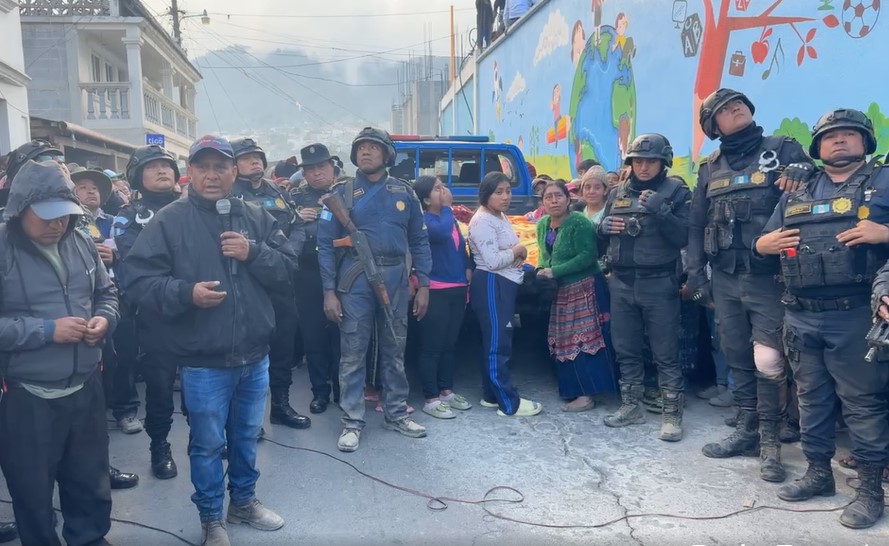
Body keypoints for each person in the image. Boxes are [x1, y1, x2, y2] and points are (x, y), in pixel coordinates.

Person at [125, 135, 296, 545]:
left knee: (245, 436)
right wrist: (187, 294)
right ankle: (210, 518)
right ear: (191, 173)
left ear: (234, 172)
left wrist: (253, 252)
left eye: (221, 166)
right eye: (203, 167)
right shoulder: (169, 220)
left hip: (255, 355)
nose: (212, 175)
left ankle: (243, 501)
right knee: (205, 445)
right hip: (203, 360)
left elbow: (289, 268)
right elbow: (137, 282)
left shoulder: (255, 217)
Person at [754, 109, 889, 529]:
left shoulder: (883, 181)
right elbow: (760, 243)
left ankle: (869, 490)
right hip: (800, 313)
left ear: (866, 142)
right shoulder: (798, 186)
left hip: (855, 314)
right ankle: (818, 473)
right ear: (818, 147)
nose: (840, 141)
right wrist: (766, 243)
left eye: (850, 134)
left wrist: (885, 234)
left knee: (863, 405)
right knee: (811, 398)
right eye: (831, 137)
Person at [686, 88, 813, 483]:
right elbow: (696, 224)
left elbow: (817, 192)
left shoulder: (784, 150)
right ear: (713, 126)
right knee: (735, 352)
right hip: (724, 277)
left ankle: (771, 443)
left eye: (737, 103)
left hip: (770, 277)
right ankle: (746, 429)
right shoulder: (710, 166)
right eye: (722, 109)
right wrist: (694, 274)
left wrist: (805, 172)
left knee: (770, 359)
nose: (733, 108)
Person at [0, 160, 119, 546]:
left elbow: (107, 294)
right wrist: (47, 331)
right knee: (32, 493)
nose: (58, 225)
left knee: (90, 482)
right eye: (47, 217)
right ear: (20, 210)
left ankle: (89, 539)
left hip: (84, 388)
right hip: (26, 397)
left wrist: (104, 319)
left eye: (64, 216)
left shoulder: (81, 241)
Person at [317, 127, 432, 453]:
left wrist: (423, 283)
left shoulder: (405, 192)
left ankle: (396, 412)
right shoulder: (339, 192)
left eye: (373, 147)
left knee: (396, 348)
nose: (366, 152)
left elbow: (419, 240)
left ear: (387, 154)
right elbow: (324, 245)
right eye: (361, 148)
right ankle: (352, 422)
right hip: (353, 279)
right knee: (353, 352)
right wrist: (329, 291)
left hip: (396, 276)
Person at [597, 133, 691, 441]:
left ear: (663, 162)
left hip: (659, 283)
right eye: (638, 161)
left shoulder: (676, 191)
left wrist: (661, 211)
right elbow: (601, 239)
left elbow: (684, 237)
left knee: (666, 352)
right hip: (622, 283)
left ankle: (672, 415)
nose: (644, 167)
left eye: (651, 161)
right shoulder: (617, 193)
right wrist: (602, 228)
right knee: (626, 349)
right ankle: (631, 407)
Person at [229, 137, 310, 430]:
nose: (255, 162)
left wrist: (291, 251)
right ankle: (248, 416)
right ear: (234, 165)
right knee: (248, 352)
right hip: (247, 284)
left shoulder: (277, 191)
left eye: (258, 157)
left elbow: (298, 225)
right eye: (247, 157)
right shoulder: (228, 195)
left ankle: (281, 406)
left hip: (280, 280)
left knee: (283, 346)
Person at [114, 145, 183, 480]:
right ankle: (160, 447)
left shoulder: (196, 207)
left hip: (201, 309)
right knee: (159, 389)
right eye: (153, 166)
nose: (162, 171)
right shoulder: (129, 217)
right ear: (137, 177)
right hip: (158, 314)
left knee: (205, 385)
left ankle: (209, 441)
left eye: (166, 166)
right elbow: (135, 266)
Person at [468, 171, 543, 417]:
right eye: (499, 192)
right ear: (486, 194)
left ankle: (491, 395)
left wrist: (516, 254)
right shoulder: (482, 221)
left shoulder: (499, 216)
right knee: (498, 343)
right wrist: (518, 250)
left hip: (505, 282)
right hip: (492, 282)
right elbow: (492, 261)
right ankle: (508, 403)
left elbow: (508, 254)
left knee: (496, 340)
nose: (506, 197)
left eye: (508, 191)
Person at [536, 180, 615, 411]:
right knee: (563, 342)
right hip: (560, 291)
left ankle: (587, 395)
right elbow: (544, 254)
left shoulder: (579, 222)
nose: (554, 201)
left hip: (584, 289)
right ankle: (573, 390)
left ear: (568, 199)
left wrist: (555, 271)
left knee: (584, 341)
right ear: (542, 202)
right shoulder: (542, 224)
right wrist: (542, 269)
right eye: (548, 197)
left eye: (558, 196)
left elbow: (587, 256)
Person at [412, 176, 473, 419]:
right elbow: (439, 234)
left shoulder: (450, 219)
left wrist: (467, 265)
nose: (443, 191)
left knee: (450, 343)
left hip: (457, 286)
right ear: (426, 199)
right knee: (432, 346)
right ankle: (430, 397)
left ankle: (446, 390)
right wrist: (447, 206)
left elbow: (460, 246)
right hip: (435, 289)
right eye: (437, 189)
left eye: (442, 186)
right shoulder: (426, 220)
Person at [290, 143, 342, 414]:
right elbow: (276, 229)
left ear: (332, 167)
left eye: (321, 167)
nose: (316, 173)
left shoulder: (347, 193)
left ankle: (343, 389)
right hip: (307, 274)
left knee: (341, 334)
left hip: (341, 272)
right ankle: (320, 392)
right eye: (310, 169)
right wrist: (295, 217)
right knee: (313, 336)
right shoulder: (294, 197)